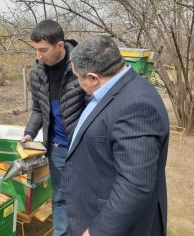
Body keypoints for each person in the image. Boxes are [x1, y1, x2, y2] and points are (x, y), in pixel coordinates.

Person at [66, 35, 169, 236]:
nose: (78, 83)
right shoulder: (115, 88)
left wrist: (97, 232)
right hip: (92, 209)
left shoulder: (136, 106)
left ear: (93, 78)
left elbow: (135, 185)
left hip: (111, 224)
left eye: (78, 77)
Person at [21, 19, 86, 236]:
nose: (38, 56)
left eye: (43, 50)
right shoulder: (37, 74)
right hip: (57, 147)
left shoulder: (83, 67)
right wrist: (29, 133)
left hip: (85, 147)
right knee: (60, 197)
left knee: (86, 195)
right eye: (36, 50)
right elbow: (39, 109)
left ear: (60, 45)